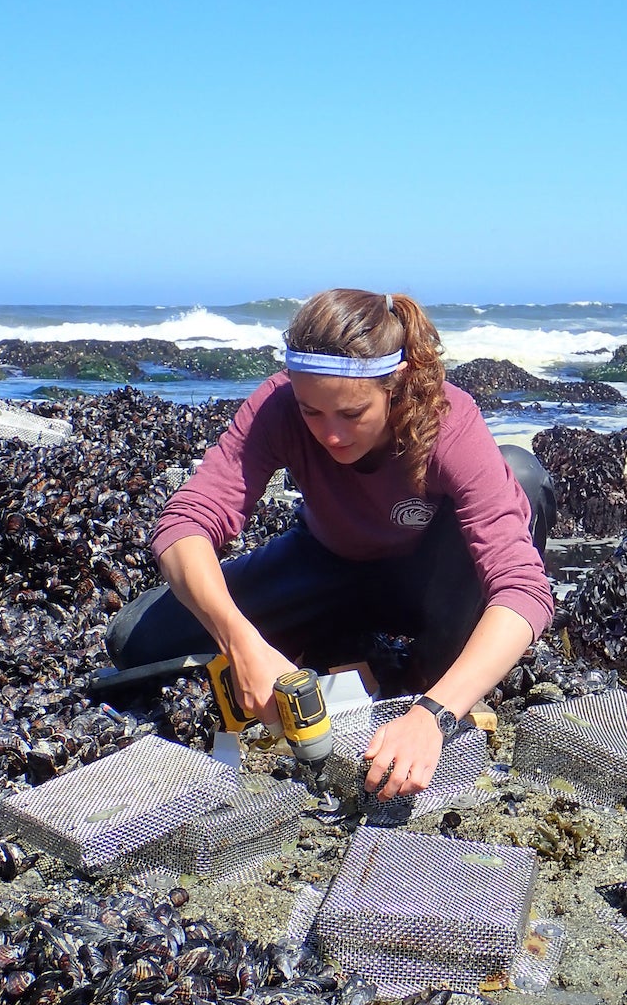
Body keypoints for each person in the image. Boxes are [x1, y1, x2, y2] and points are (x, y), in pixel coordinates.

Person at [105, 288, 556, 801]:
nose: (331, 435)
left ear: (398, 385)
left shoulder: (447, 422)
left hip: (428, 580)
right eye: (312, 413)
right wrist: (240, 639)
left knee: (522, 476)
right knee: (135, 640)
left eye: (351, 413)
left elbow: (523, 589)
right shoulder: (277, 406)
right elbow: (185, 522)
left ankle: (423, 676)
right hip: (327, 562)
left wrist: (434, 713)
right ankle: (339, 647)